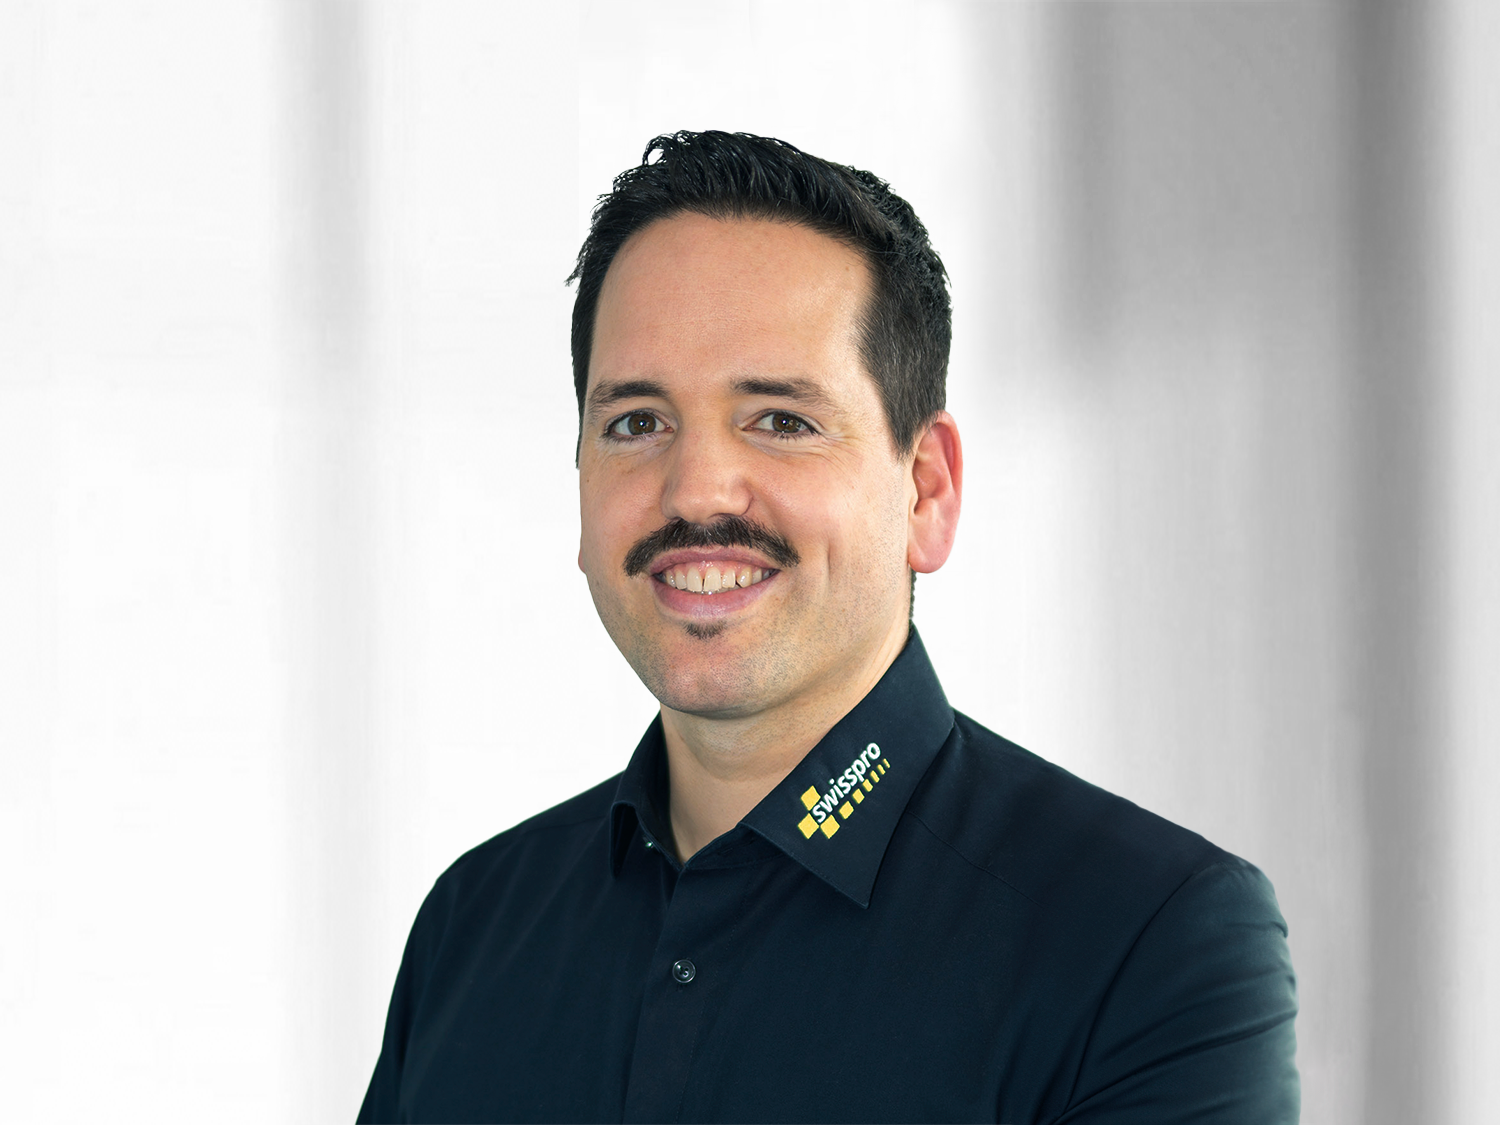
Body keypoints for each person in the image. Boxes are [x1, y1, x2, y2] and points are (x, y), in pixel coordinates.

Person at [357, 131, 1299, 1124]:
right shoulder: (472, 927)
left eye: (781, 420)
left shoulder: (1148, 944)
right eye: (637, 422)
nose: (696, 491)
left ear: (926, 491)